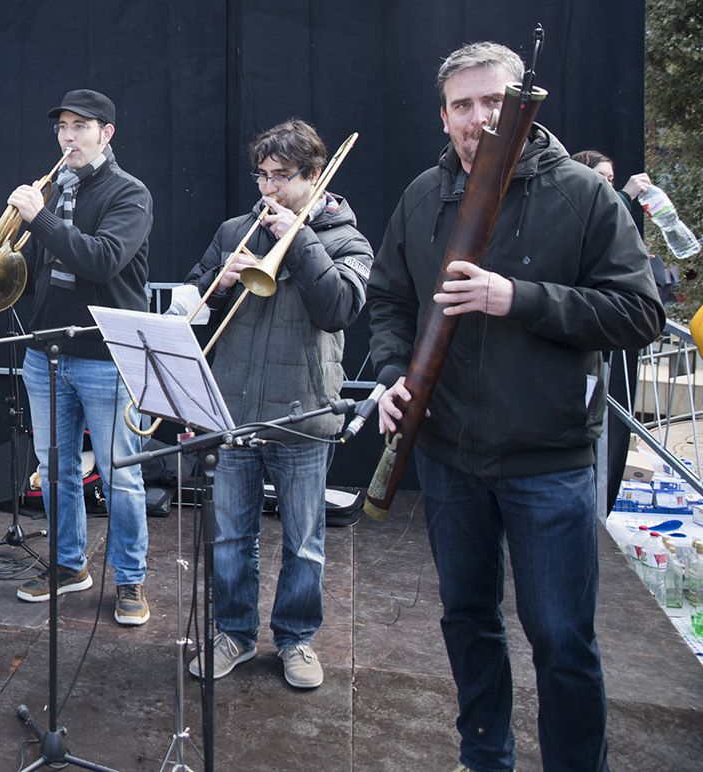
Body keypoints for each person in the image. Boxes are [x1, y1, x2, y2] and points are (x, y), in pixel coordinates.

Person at [368, 42, 663, 772]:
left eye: (493, 102)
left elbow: (639, 313)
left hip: (546, 461)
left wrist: (516, 298)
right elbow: (389, 302)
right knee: (467, 621)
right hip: (447, 458)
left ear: (522, 107)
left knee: (562, 639)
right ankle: (484, 756)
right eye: (463, 105)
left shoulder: (583, 195)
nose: (479, 118)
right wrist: (389, 374)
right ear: (443, 117)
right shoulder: (420, 196)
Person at [184, 118, 372, 689]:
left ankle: (295, 640)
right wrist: (217, 282)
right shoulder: (233, 230)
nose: (267, 189)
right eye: (261, 176)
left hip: (303, 412)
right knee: (232, 538)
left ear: (314, 176)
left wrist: (301, 239)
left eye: (282, 177)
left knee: (304, 543)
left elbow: (338, 309)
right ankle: (234, 634)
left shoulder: (345, 239)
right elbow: (194, 295)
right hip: (234, 409)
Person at [8, 89, 153, 626]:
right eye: (62, 127)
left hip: (103, 356)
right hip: (44, 353)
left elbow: (102, 261)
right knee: (55, 470)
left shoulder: (128, 194)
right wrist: (3, 264)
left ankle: (131, 577)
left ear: (106, 134)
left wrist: (40, 219)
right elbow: (42, 275)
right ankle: (69, 566)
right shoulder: (56, 189)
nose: (68, 136)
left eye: (80, 126)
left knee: (120, 474)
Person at [571, 149, 661, 515]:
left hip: (596, 356)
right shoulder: (572, 214)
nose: (606, 186)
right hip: (566, 366)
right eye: (601, 179)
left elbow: (638, 312)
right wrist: (623, 194)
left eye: (610, 179)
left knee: (593, 436)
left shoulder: (610, 222)